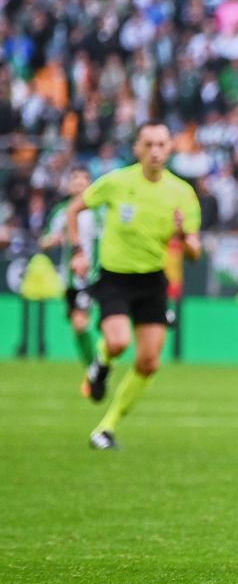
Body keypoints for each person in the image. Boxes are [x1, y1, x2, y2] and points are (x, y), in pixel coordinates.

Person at [66, 123, 202, 449]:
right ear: (138, 148)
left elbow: (195, 253)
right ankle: (100, 364)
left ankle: (106, 428)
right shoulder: (117, 181)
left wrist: (184, 235)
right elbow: (74, 210)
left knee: (149, 362)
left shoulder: (182, 192)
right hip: (115, 278)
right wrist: (78, 251)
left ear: (170, 149)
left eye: (161, 145)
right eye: (149, 144)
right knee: (117, 343)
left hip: (153, 280)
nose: (155, 151)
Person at [41, 166, 100, 366]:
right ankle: (92, 366)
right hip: (69, 278)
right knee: (77, 326)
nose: (80, 185)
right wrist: (54, 239)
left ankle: (95, 367)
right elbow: (45, 241)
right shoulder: (61, 212)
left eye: (84, 181)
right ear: (69, 185)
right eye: (76, 181)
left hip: (91, 277)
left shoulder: (98, 213)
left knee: (81, 323)